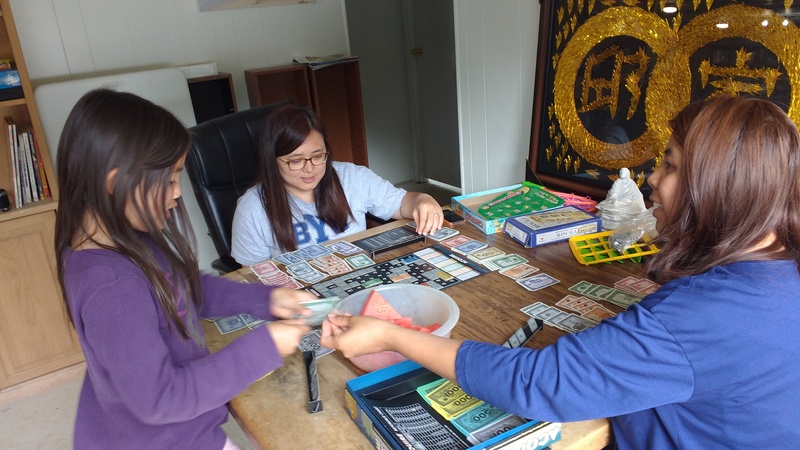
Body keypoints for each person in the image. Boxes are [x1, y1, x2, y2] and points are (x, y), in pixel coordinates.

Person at [321, 96, 800, 448]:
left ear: (717, 189)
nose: (653, 179)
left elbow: (536, 383)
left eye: (670, 167)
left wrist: (391, 336)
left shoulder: (703, 315)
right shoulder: (780, 263)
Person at [55, 89, 316, 450]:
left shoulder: (131, 236)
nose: (178, 194)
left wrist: (268, 300)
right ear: (115, 183)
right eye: (170, 178)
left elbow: (191, 290)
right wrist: (265, 346)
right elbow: (162, 398)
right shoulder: (111, 287)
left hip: (187, 430)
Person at [231, 103, 444, 266]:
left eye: (318, 156)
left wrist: (422, 200)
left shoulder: (353, 177)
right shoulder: (253, 209)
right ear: (271, 159)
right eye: (295, 161)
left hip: (360, 280)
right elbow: (252, 279)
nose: (309, 168)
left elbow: (402, 204)